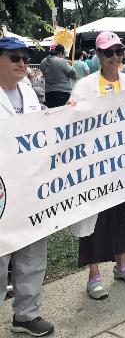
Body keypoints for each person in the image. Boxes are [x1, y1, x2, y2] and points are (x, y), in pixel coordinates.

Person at [70, 31, 125, 299]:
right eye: (108, 52)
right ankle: (94, 275)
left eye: (118, 51)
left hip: (124, 164)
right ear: (99, 56)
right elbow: (74, 123)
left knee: (122, 214)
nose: (115, 57)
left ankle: (122, 264)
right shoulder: (84, 86)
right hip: (95, 167)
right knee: (96, 218)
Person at [0, 37, 54, 337]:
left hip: (32, 187)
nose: (22, 63)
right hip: (2, 191)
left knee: (33, 252)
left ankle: (26, 315)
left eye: (24, 58)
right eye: (13, 58)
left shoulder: (29, 92)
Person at [40, 43, 76, 108]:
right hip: (63, 93)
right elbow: (73, 74)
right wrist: (70, 65)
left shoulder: (43, 62)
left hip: (48, 93)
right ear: (60, 53)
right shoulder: (61, 61)